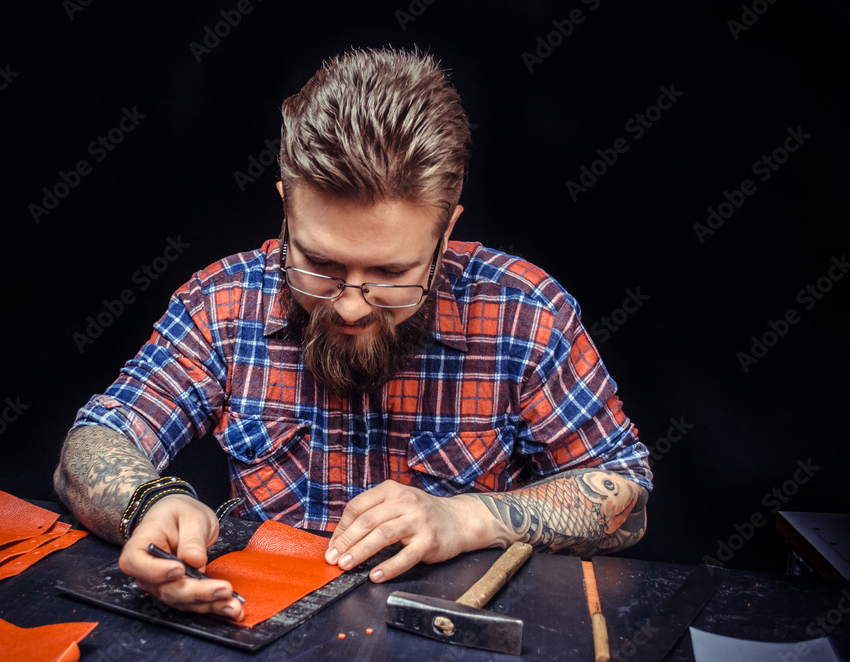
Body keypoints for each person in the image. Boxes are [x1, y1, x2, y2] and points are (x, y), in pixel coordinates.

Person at [53, 48, 651, 623]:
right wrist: (149, 503)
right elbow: (93, 442)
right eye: (321, 264)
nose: (349, 306)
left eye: (391, 274)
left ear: (445, 234)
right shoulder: (223, 302)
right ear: (287, 208)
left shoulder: (525, 313)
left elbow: (626, 497)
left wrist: (466, 519)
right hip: (252, 630)